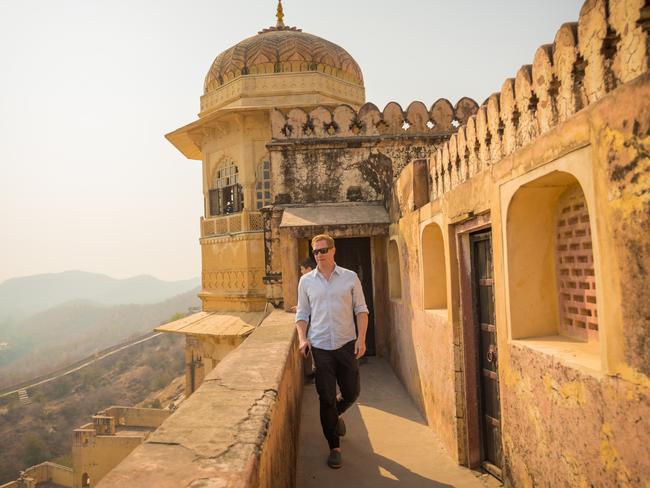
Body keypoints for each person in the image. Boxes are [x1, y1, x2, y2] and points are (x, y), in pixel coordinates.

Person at [295, 234, 369, 469]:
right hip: (320, 347)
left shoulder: (350, 277)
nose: (319, 255)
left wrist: (362, 339)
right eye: (316, 252)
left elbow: (361, 310)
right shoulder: (306, 282)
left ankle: (335, 417)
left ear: (333, 250)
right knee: (325, 397)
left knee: (351, 392)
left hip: (346, 344)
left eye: (324, 250)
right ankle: (334, 446)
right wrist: (302, 338)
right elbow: (302, 314)